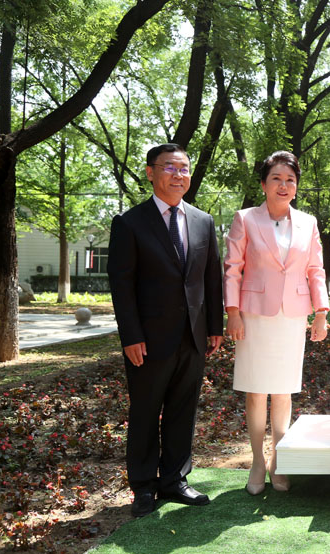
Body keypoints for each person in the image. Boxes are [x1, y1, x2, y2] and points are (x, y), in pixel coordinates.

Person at [107, 143, 224, 518]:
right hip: (148, 339)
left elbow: (211, 278)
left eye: (184, 168)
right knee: (145, 411)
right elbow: (121, 284)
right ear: (150, 172)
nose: (179, 175)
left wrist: (215, 327)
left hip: (193, 335)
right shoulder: (130, 223)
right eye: (170, 167)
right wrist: (131, 335)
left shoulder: (203, 221)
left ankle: (174, 480)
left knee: (182, 410)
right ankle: (143, 486)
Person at [223, 151, 329, 495]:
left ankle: (278, 462)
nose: (283, 186)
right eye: (276, 179)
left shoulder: (308, 223)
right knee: (256, 391)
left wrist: (321, 312)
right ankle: (257, 461)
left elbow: (315, 270)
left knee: (283, 391)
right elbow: (233, 269)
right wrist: (232, 311)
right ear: (263, 184)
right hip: (254, 315)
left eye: (290, 180)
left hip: (293, 316)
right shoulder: (245, 219)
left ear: (296, 186)